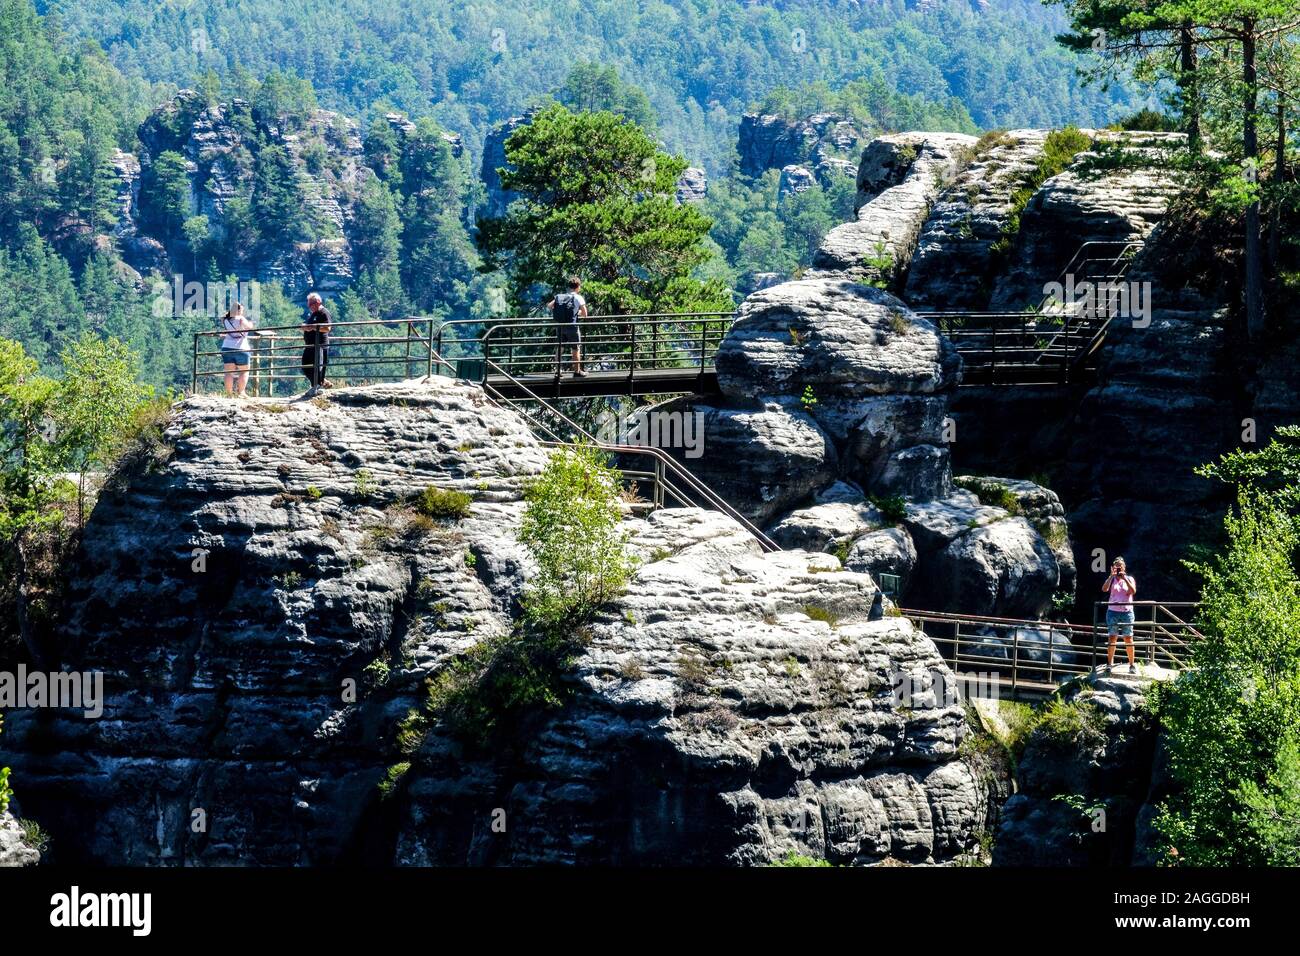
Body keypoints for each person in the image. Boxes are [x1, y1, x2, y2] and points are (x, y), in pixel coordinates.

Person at [219, 302, 270, 398]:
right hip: (241, 347)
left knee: (228, 372)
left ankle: (229, 394)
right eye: (242, 310)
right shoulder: (241, 319)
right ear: (238, 310)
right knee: (244, 371)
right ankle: (241, 392)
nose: (242, 311)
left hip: (226, 347)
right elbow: (249, 327)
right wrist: (251, 323)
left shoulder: (225, 319)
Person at [546, 277, 588, 377]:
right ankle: (577, 371)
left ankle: (558, 371)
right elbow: (585, 314)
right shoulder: (578, 297)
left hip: (561, 326)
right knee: (575, 348)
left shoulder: (560, 297)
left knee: (560, 348)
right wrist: (577, 312)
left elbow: (549, 306)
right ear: (578, 287)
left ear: (569, 287)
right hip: (572, 326)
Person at [1102, 556, 1138, 673]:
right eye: (1116, 567)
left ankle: (1132, 665)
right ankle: (1109, 664)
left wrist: (1124, 578)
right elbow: (1104, 589)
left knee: (1128, 638)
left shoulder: (1130, 579)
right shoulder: (1111, 579)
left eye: (1120, 566)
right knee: (1112, 638)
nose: (1118, 569)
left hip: (1127, 612)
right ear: (1113, 568)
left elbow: (1132, 591)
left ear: (1124, 567)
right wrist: (1111, 576)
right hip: (1113, 612)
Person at [301, 292, 333, 391]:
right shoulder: (314, 314)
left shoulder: (324, 313)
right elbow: (309, 325)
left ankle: (317, 386)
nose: (309, 306)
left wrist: (313, 327)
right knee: (306, 366)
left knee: (318, 367)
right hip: (310, 345)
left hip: (320, 345)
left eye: (311, 304)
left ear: (318, 302)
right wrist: (304, 326)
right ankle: (319, 384)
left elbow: (327, 328)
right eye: (308, 304)